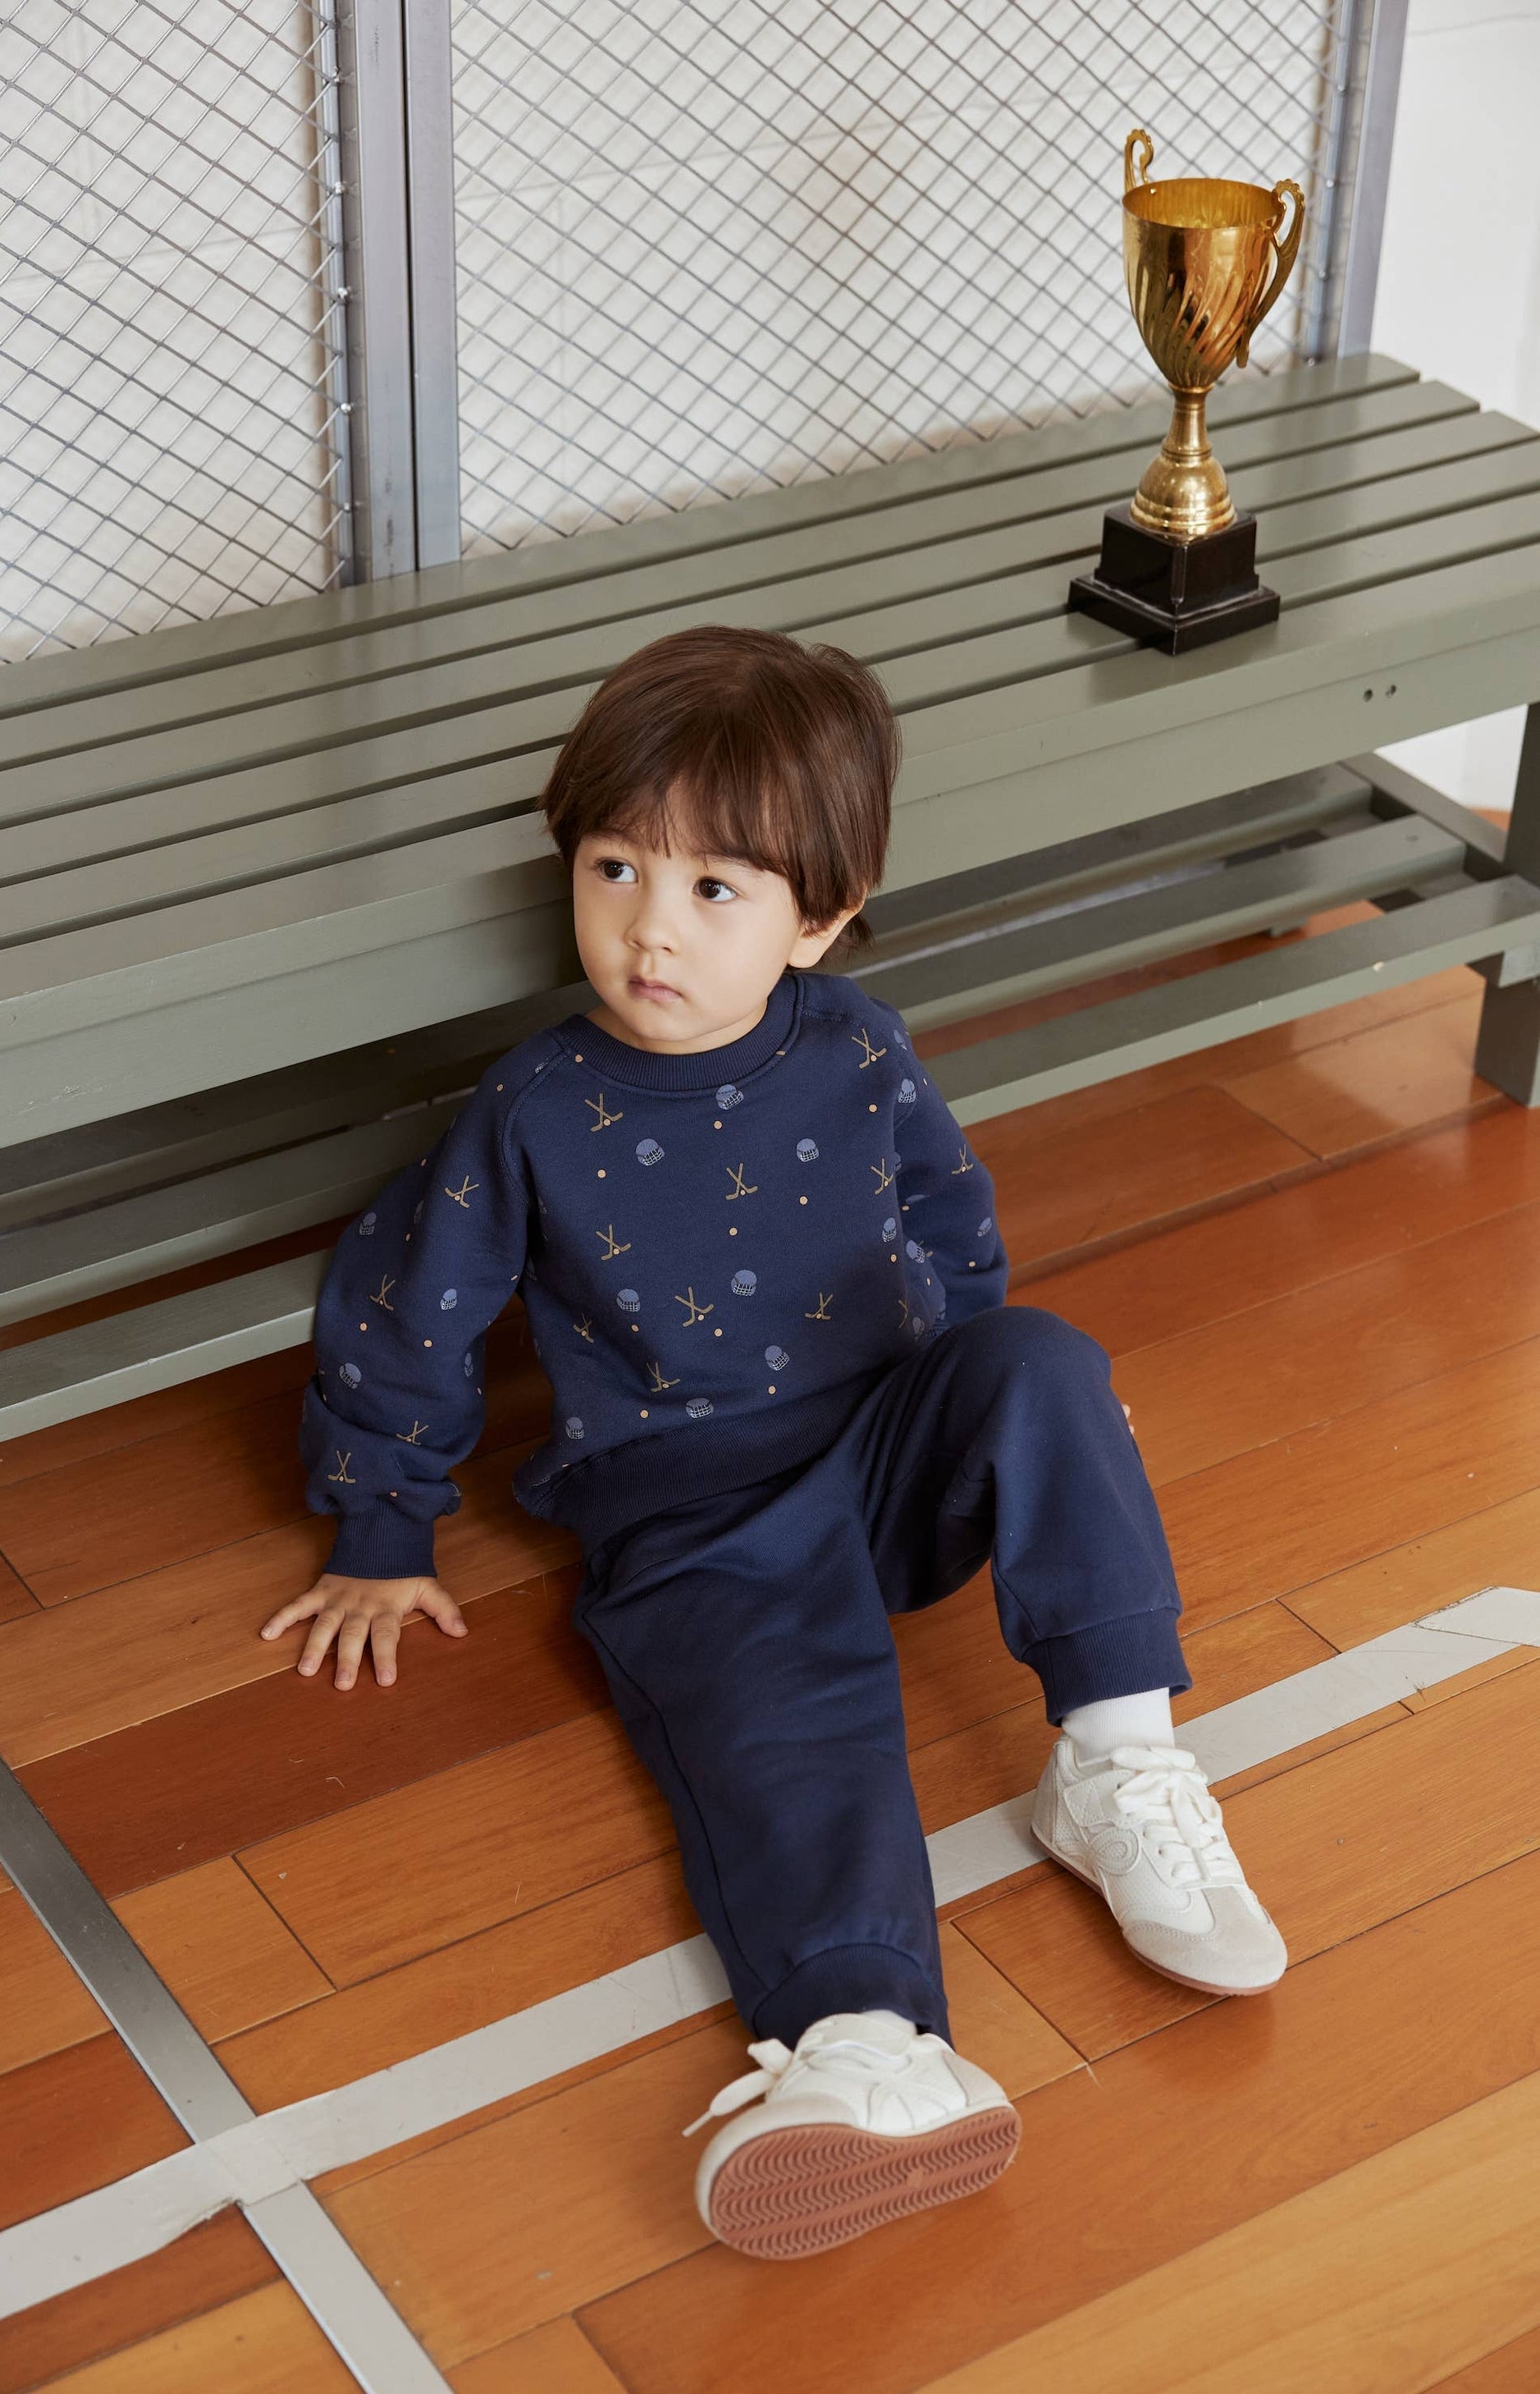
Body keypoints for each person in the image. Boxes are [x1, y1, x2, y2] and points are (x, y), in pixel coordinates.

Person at [261, 624, 1286, 2261]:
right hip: (693, 1520)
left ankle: (1115, 1767)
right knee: (785, 1742)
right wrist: (381, 1528)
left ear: (820, 916)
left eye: (712, 888)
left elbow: (953, 1229)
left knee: (1046, 1361)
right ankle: (865, 2044)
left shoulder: (859, 1044)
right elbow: (406, 1304)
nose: (647, 929)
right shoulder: (534, 1106)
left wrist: (1007, 1431)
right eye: (613, 869)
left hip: (881, 1455)